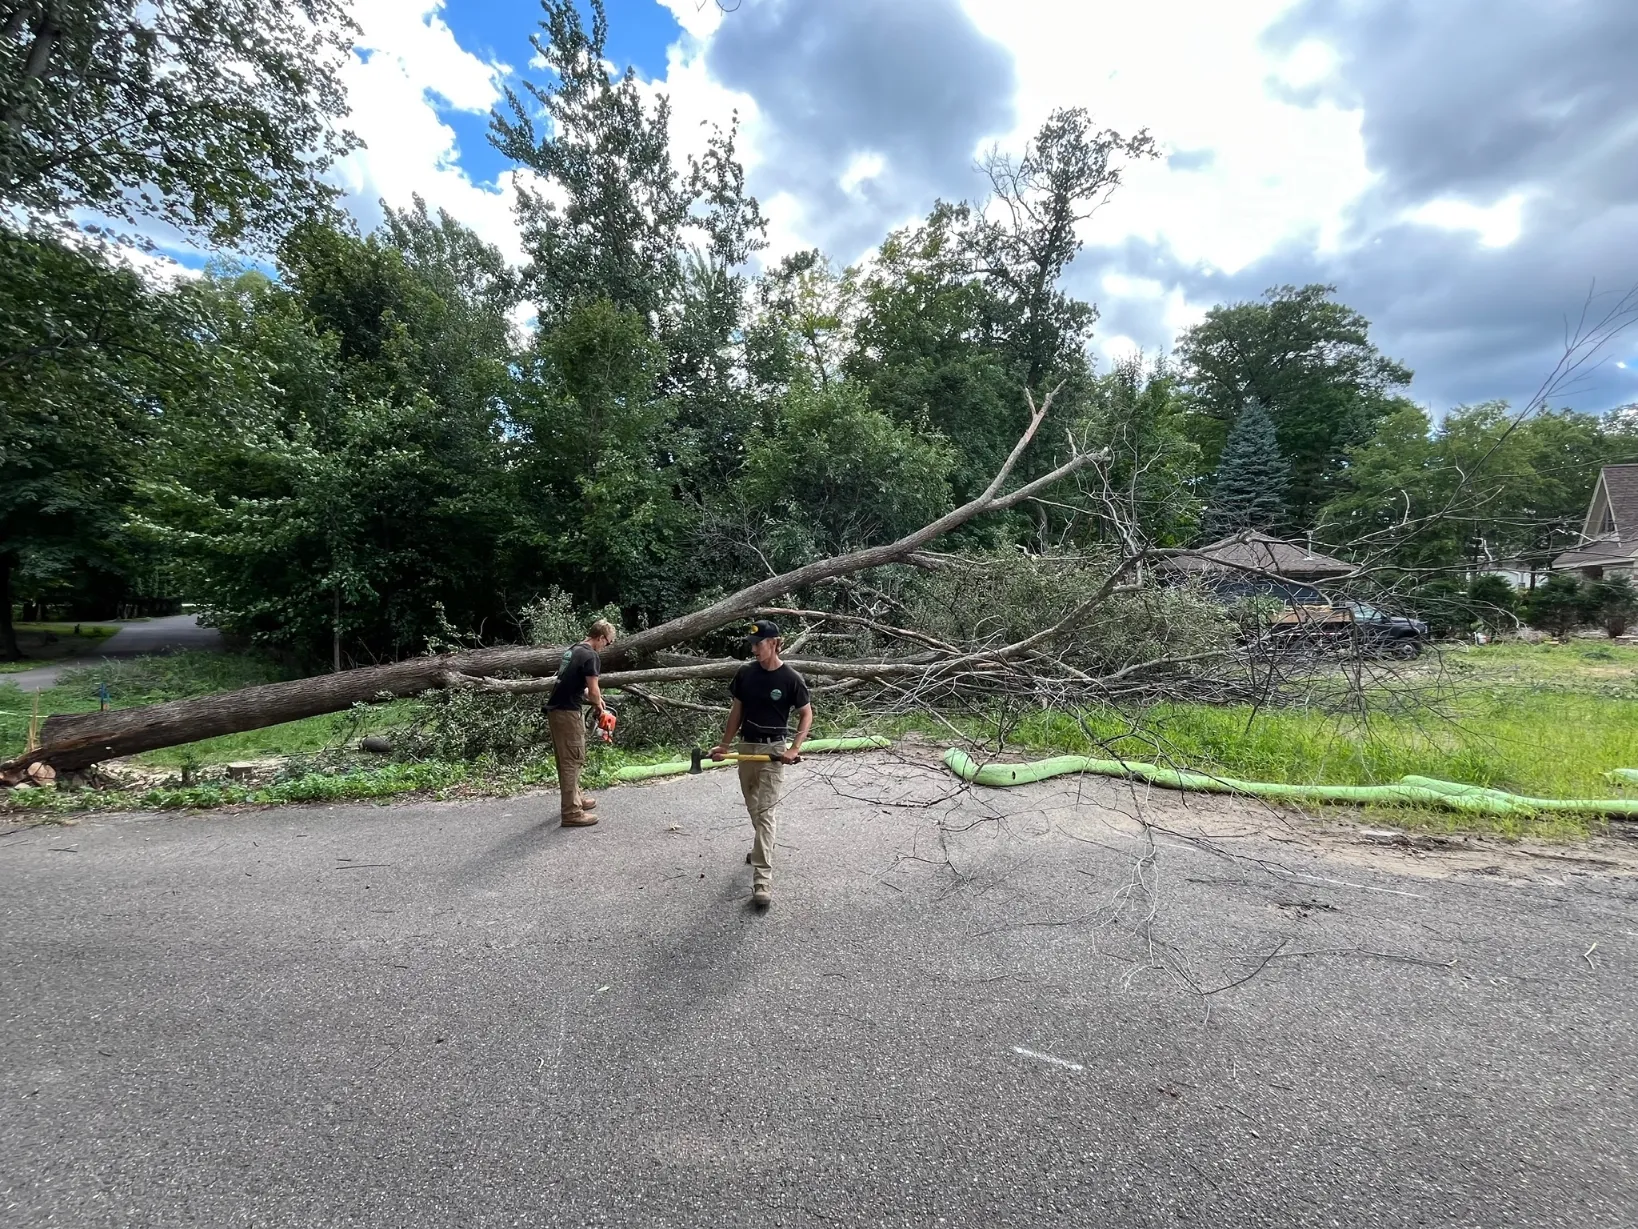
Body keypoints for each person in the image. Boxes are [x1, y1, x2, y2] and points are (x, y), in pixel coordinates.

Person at [710, 619, 813, 908]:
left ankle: (762, 880)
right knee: (753, 805)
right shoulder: (745, 674)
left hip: (773, 751)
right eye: (752, 644)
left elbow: (806, 714)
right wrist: (725, 745)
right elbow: (736, 711)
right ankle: (761, 846)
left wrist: (795, 748)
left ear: (775, 643)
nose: (754, 649)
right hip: (746, 748)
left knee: (766, 812)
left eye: (759, 644)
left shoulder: (791, 678)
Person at [545, 619, 615, 827]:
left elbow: (573, 683)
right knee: (573, 759)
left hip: (557, 710)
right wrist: (599, 707)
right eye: (608, 643)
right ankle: (571, 812)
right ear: (600, 637)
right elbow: (593, 691)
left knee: (567, 758)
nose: (606, 647)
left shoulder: (574, 650)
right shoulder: (591, 656)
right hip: (567, 713)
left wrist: (594, 698)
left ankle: (576, 798)